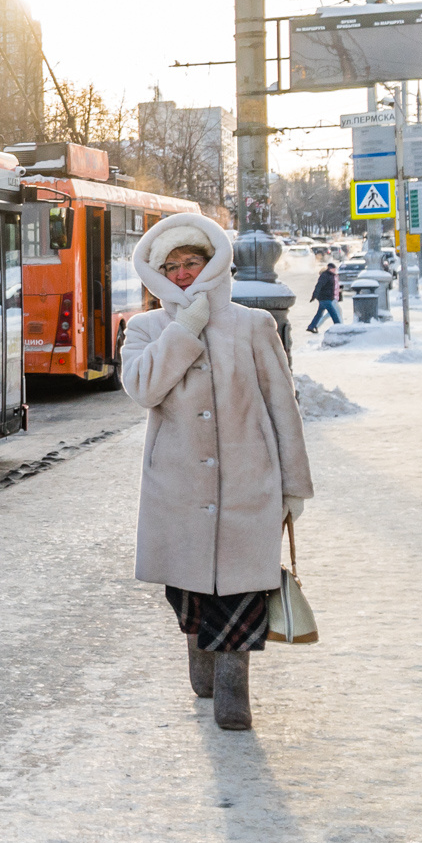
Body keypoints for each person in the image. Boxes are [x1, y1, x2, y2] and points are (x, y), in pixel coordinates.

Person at [120, 212, 313, 731]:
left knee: (243, 593)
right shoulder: (145, 328)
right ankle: (199, 654)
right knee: (190, 595)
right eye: (172, 266)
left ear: (214, 263)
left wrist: (294, 485)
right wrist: (183, 331)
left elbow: (283, 408)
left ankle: (234, 693)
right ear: (158, 274)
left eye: (192, 262)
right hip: (177, 489)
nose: (183, 273)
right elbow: (142, 389)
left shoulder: (254, 325)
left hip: (250, 484)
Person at [305, 261, 341, 333]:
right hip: (325, 298)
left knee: (319, 314)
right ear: (330, 269)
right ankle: (339, 327)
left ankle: (311, 326)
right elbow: (319, 285)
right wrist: (314, 295)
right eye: (333, 269)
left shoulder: (331, 275)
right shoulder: (325, 275)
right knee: (333, 313)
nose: (335, 270)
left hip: (326, 298)